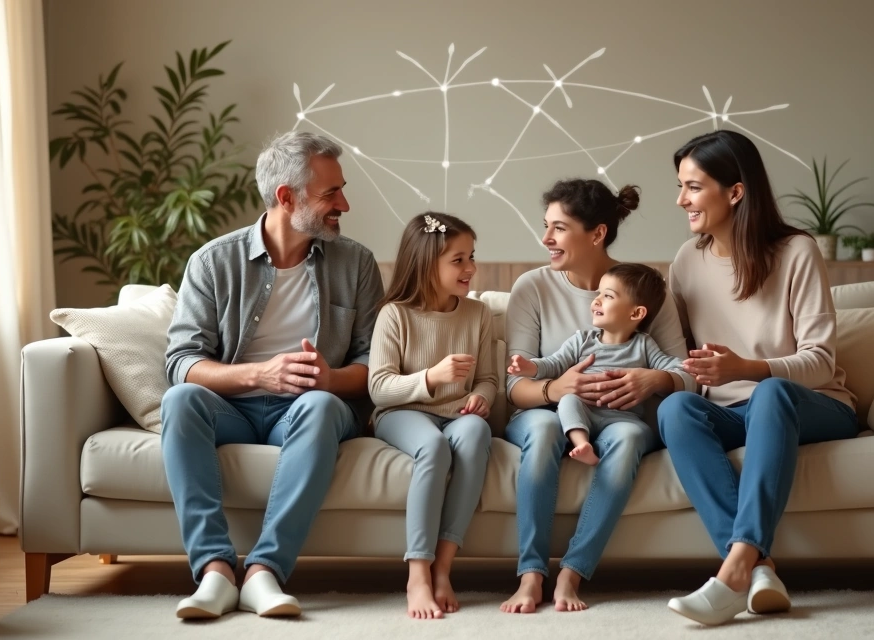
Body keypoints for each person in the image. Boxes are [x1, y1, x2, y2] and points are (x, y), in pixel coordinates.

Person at [160, 131, 384, 619]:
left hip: (309, 409)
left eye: (341, 190)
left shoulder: (357, 263)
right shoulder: (213, 262)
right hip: (233, 409)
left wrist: (328, 379)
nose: (343, 203)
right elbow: (182, 364)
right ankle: (215, 571)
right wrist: (260, 375)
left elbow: (375, 368)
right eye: (331, 193)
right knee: (180, 401)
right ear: (287, 197)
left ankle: (264, 571)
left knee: (321, 405)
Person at [657, 130, 859, 626]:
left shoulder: (796, 252)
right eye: (681, 186)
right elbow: (680, 360)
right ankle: (758, 567)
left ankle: (731, 575)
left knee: (769, 393)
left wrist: (746, 368)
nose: (681, 199)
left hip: (808, 405)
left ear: (735, 191)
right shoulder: (687, 261)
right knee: (675, 409)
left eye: (694, 186)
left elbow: (821, 362)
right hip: (730, 410)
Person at [498, 180, 693, 613]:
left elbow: (685, 376)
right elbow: (516, 387)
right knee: (548, 427)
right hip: (545, 411)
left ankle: (573, 572)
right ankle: (531, 575)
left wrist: (652, 381)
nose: (546, 239)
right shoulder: (532, 287)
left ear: (597, 233)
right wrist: (557, 387)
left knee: (625, 443)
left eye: (559, 228)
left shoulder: (643, 290)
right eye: (545, 226)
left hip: (621, 418)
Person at [368, 212, 496, 620]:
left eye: (471, 257)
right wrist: (431, 377)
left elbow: (490, 378)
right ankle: (417, 575)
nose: (471, 268)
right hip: (401, 412)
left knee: (476, 434)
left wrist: (480, 397)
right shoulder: (395, 314)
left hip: (457, 414)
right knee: (433, 446)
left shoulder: (478, 314)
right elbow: (379, 387)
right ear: (427, 262)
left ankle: (444, 568)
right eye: (458, 260)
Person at [507, 263, 685, 466]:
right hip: (584, 411)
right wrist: (530, 367)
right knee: (568, 401)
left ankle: (593, 445)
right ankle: (581, 444)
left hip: (622, 418)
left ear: (636, 314)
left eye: (607, 296)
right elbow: (555, 363)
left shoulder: (644, 345)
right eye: (598, 294)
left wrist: (657, 378)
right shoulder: (581, 340)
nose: (596, 301)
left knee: (633, 434)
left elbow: (676, 367)